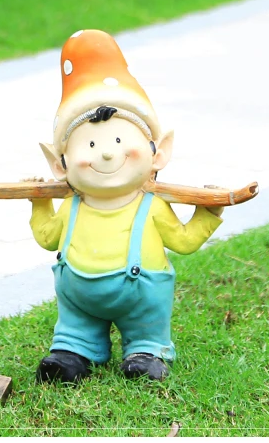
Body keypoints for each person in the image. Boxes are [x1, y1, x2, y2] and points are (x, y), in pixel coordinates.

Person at [29, 28, 223, 383]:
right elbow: (47, 237)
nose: (106, 153)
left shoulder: (151, 207)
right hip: (79, 301)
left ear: (158, 153)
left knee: (146, 329)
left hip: (142, 300)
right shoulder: (71, 207)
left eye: (119, 140)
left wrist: (208, 212)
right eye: (89, 145)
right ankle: (74, 349)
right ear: (60, 165)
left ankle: (147, 350)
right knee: (75, 330)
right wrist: (38, 203)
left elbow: (183, 241)